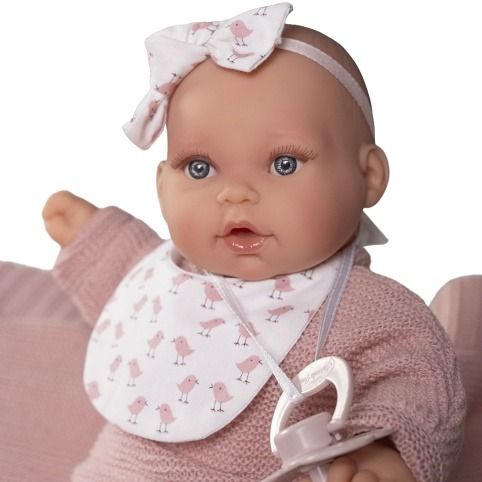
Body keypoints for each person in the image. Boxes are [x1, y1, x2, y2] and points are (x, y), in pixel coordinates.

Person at [42, 4, 465, 481]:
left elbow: (417, 389)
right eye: (199, 168)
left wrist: (386, 452)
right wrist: (93, 237)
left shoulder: (372, 311)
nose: (236, 193)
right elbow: (125, 272)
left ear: (367, 176)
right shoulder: (164, 276)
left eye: (284, 164)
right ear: (161, 186)